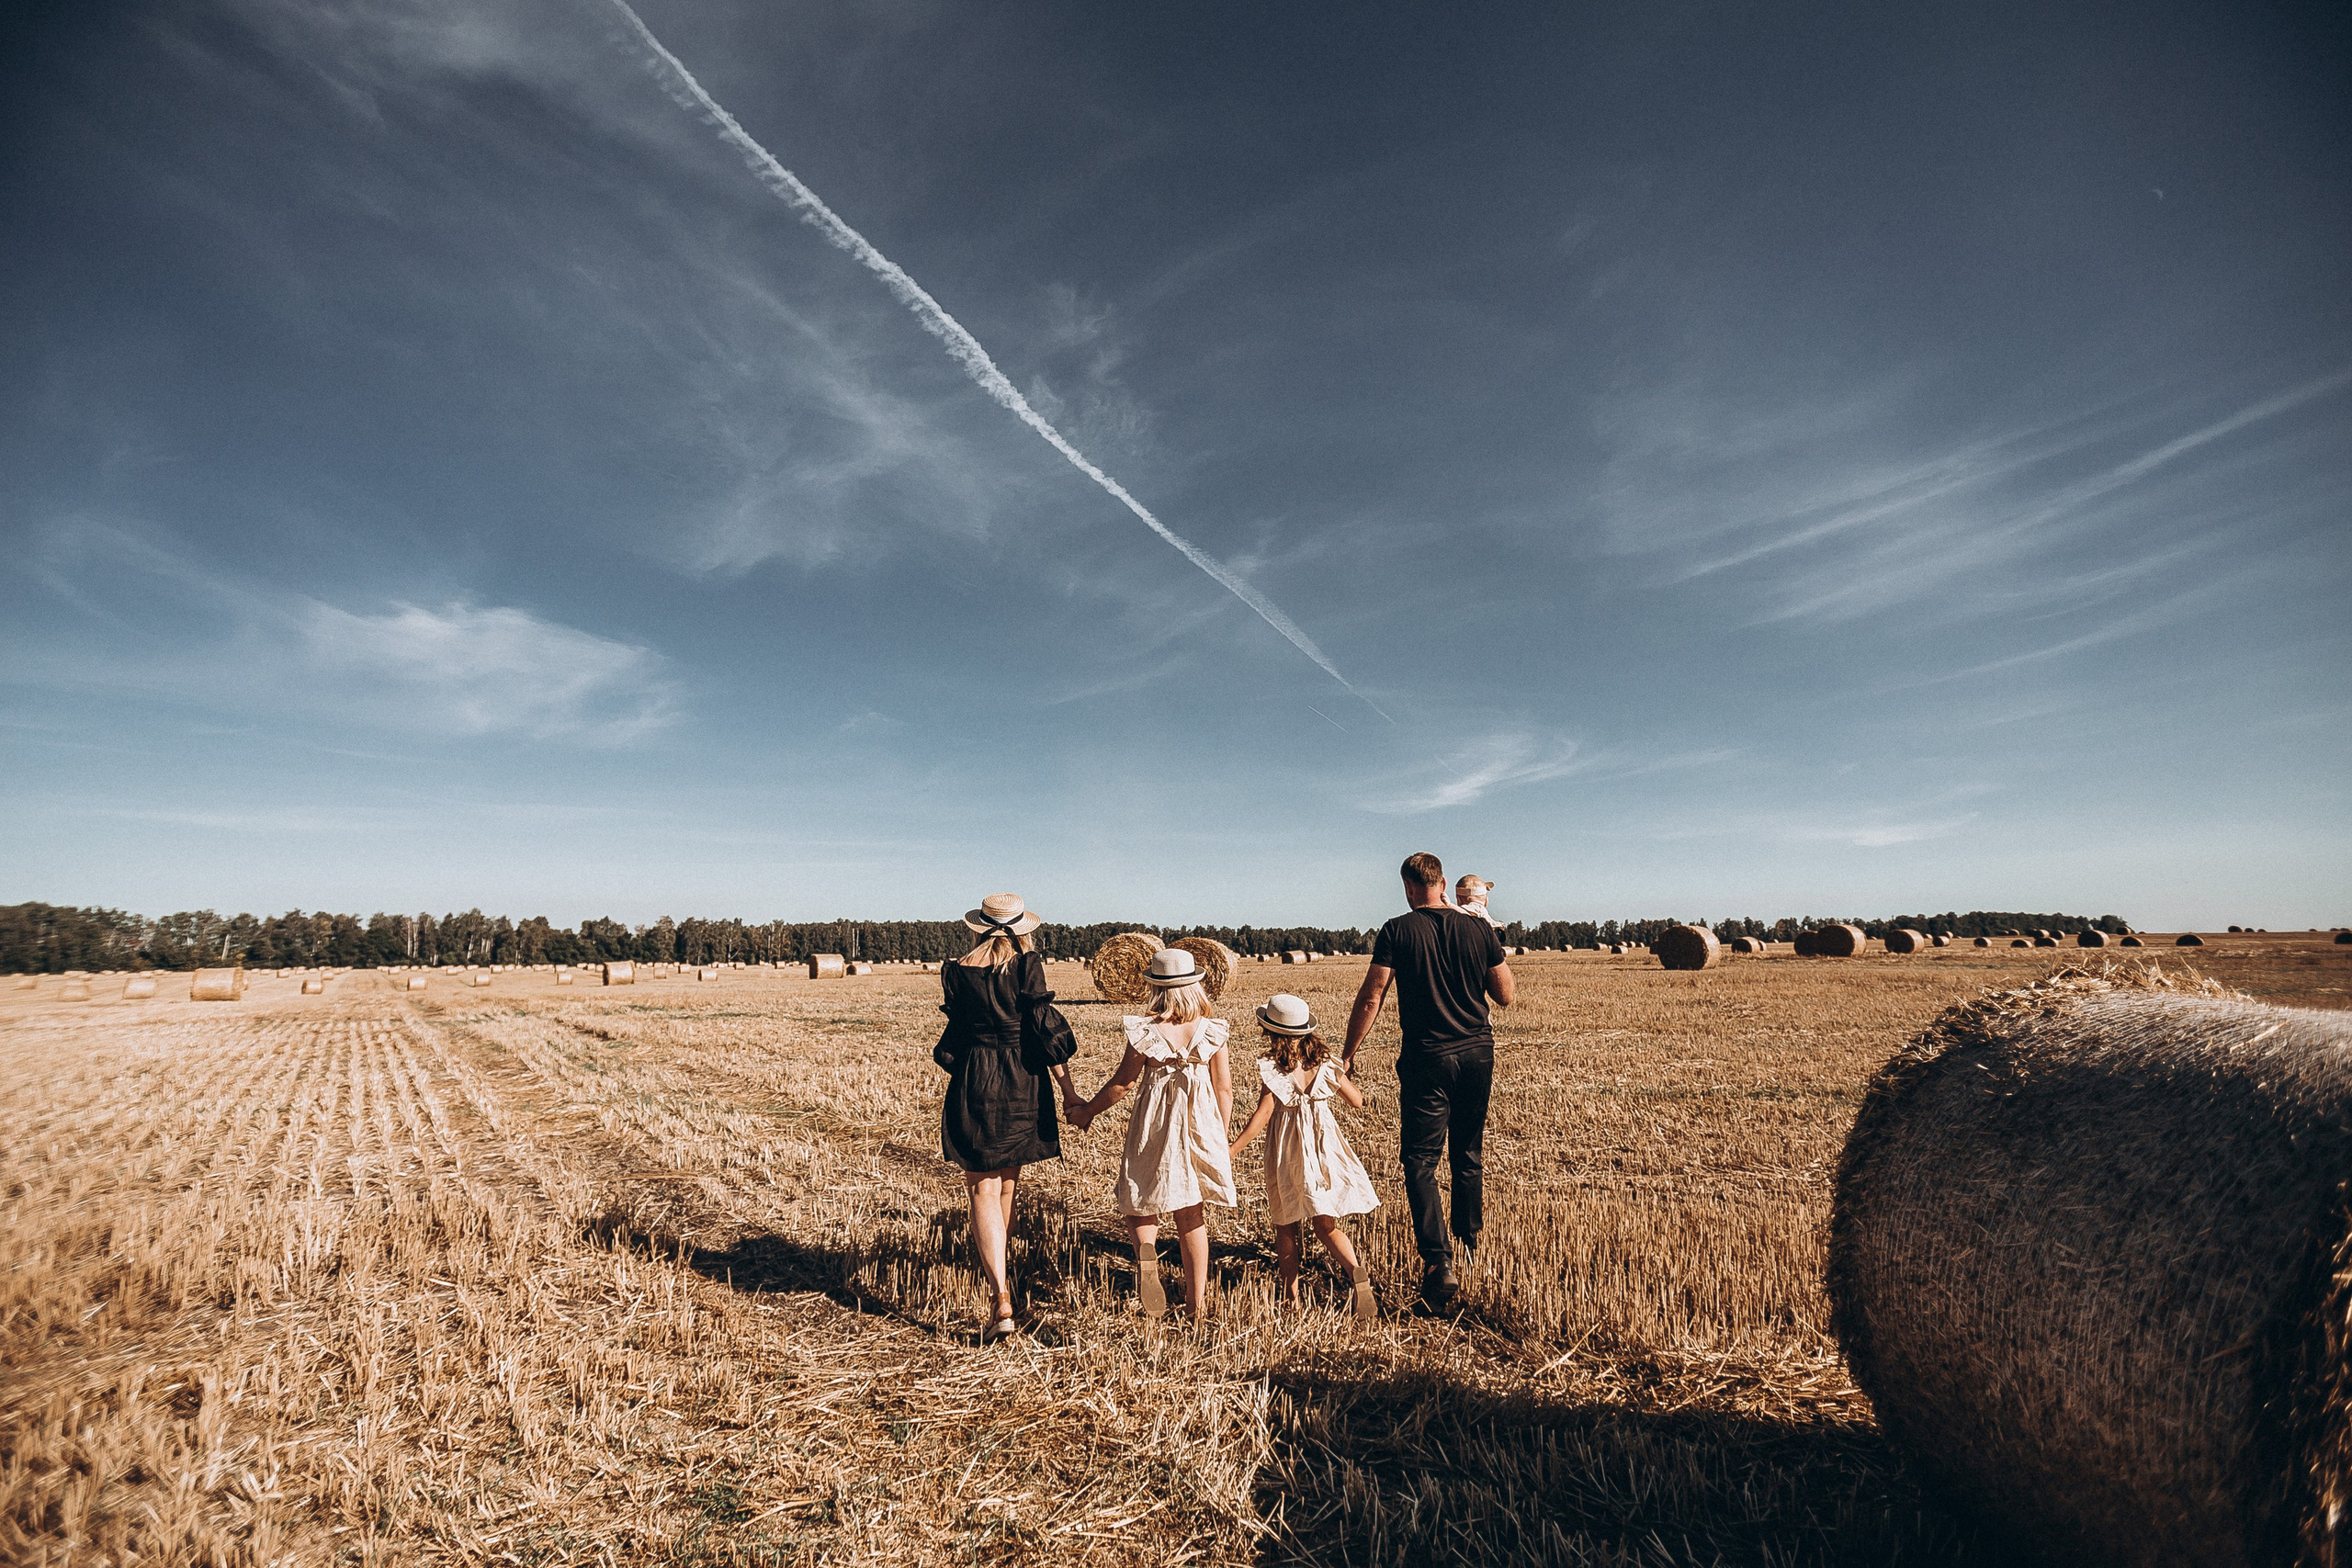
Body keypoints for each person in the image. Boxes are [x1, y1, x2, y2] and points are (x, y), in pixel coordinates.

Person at [1341, 852, 1515, 1310]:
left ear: (1408, 887)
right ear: (1442, 883)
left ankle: (1439, 1261)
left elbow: (1372, 996)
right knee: (1468, 1152)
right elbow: (1505, 995)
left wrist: (1349, 1053)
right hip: (1478, 1053)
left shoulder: (1397, 930)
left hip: (1427, 1058)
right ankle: (1471, 1241)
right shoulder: (1477, 928)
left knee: (1420, 1160)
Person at [933, 893, 1081, 1341]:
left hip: (976, 1079)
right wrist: (1069, 1092)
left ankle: (1000, 1296)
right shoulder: (1026, 965)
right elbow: (1044, 1030)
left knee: (983, 1187)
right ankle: (1005, 1283)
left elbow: (956, 1036)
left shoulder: (957, 971)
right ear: (1022, 930)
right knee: (1007, 1186)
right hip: (1022, 1079)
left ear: (979, 927)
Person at [1069, 948, 1236, 1322]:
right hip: (1200, 1124)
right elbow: (1224, 1090)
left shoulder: (1146, 1031)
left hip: (1154, 1121)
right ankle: (1196, 1304)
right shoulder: (1213, 1031)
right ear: (1196, 986)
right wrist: (1219, 1135)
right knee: (1191, 1213)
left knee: (1141, 1193)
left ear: (1155, 988)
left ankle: (1147, 1251)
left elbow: (1123, 1083)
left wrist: (1087, 1111)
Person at [1229, 992, 1379, 1321]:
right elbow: (1357, 1100)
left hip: (1288, 1149)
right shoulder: (1325, 1063)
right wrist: (1338, 1079)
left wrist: (1232, 1150)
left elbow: (1262, 1116)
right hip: (1323, 1147)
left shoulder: (1274, 1069)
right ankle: (1355, 1272)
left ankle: (1291, 1300)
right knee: (1325, 1224)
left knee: (1286, 1225)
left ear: (1271, 1031)